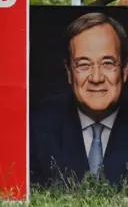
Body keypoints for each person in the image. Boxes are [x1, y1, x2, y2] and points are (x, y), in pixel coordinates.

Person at [30, 12, 128, 188]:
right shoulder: (36, 127)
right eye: (84, 64)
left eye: (107, 63)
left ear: (125, 70)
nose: (96, 78)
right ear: (69, 72)